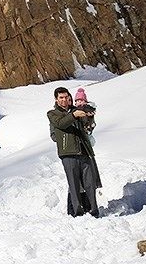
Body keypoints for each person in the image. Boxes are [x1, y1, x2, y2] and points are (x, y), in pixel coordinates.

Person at [47, 86, 102, 218]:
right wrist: (74, 115)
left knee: (90, 184)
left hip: (84, 151)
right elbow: (60, 123)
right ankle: (77, 214)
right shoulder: (52, 114)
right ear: (56, 99)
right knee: (74, 185)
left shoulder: (76, 110)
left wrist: (89, 114)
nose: (64, 99)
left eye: (66, 97)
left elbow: (88, 127)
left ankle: (94, 212)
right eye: (61, 97)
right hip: (68, 153)